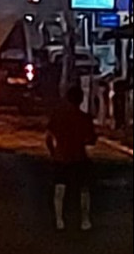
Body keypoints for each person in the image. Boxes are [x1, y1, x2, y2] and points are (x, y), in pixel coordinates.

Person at [46, 85, 97, 231]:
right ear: (81, 100)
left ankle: (59, 220)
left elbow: (49, 138)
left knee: (59, 190)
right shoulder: (85, 118)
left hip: (61, 157)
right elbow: (91, 140)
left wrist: (53, 152)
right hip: (79, 157)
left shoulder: (58, 116)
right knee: (84, 190)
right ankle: (85, 220)